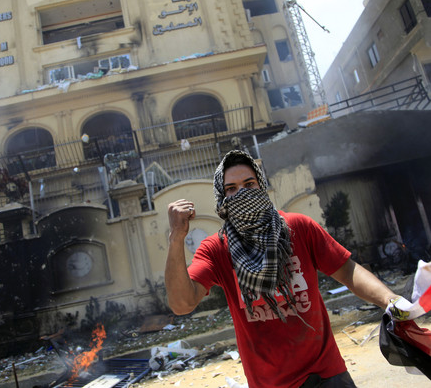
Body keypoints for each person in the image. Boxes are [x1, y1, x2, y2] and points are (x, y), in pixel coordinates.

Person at [165, 150, 401, 388]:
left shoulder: (298, 227)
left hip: (326, 374)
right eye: (232, 189)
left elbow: (347, 271)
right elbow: (182, 303)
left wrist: (389, 300)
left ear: (261, 186)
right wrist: (176, 238)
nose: (243, 193)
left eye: (249, 184)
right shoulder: (217, 249)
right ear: (222, 197)